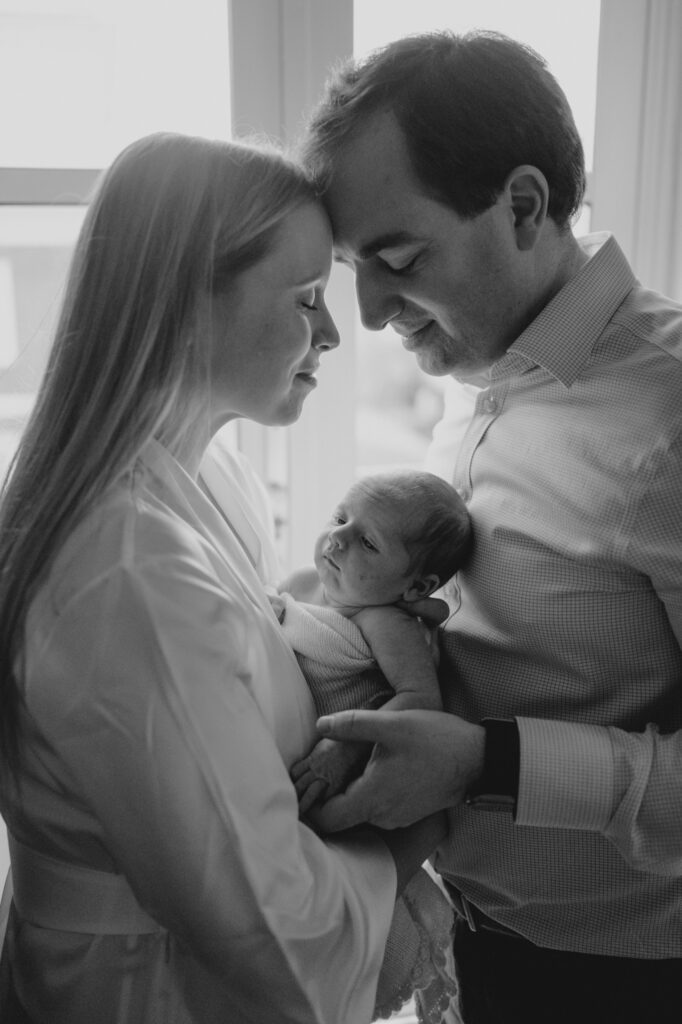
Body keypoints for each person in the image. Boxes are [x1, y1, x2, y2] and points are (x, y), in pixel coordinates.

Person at [0, 131, 446, 1024]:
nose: (330, 333)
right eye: (306, 298)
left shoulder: (207, 476)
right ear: (184, 303)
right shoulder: (129, 577)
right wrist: (422, 829)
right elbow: (281, 935)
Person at [298, 29, 682, 1024]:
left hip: (619, 980)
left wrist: (485, 762)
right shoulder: (484, 370)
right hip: (468, 935)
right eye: (351, 266)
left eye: (397, 258)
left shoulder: (669, 422)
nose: (370, 310)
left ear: (521, 204)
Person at [273, 467, 471, 1024]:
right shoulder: (305, 584)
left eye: (366, 541)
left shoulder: (387, 621)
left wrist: (345, 750)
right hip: (292, 764)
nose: (336, 538)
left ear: (415, 587)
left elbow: (418, 700)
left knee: (337, 938)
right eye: (341, 517)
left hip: (356, 784)